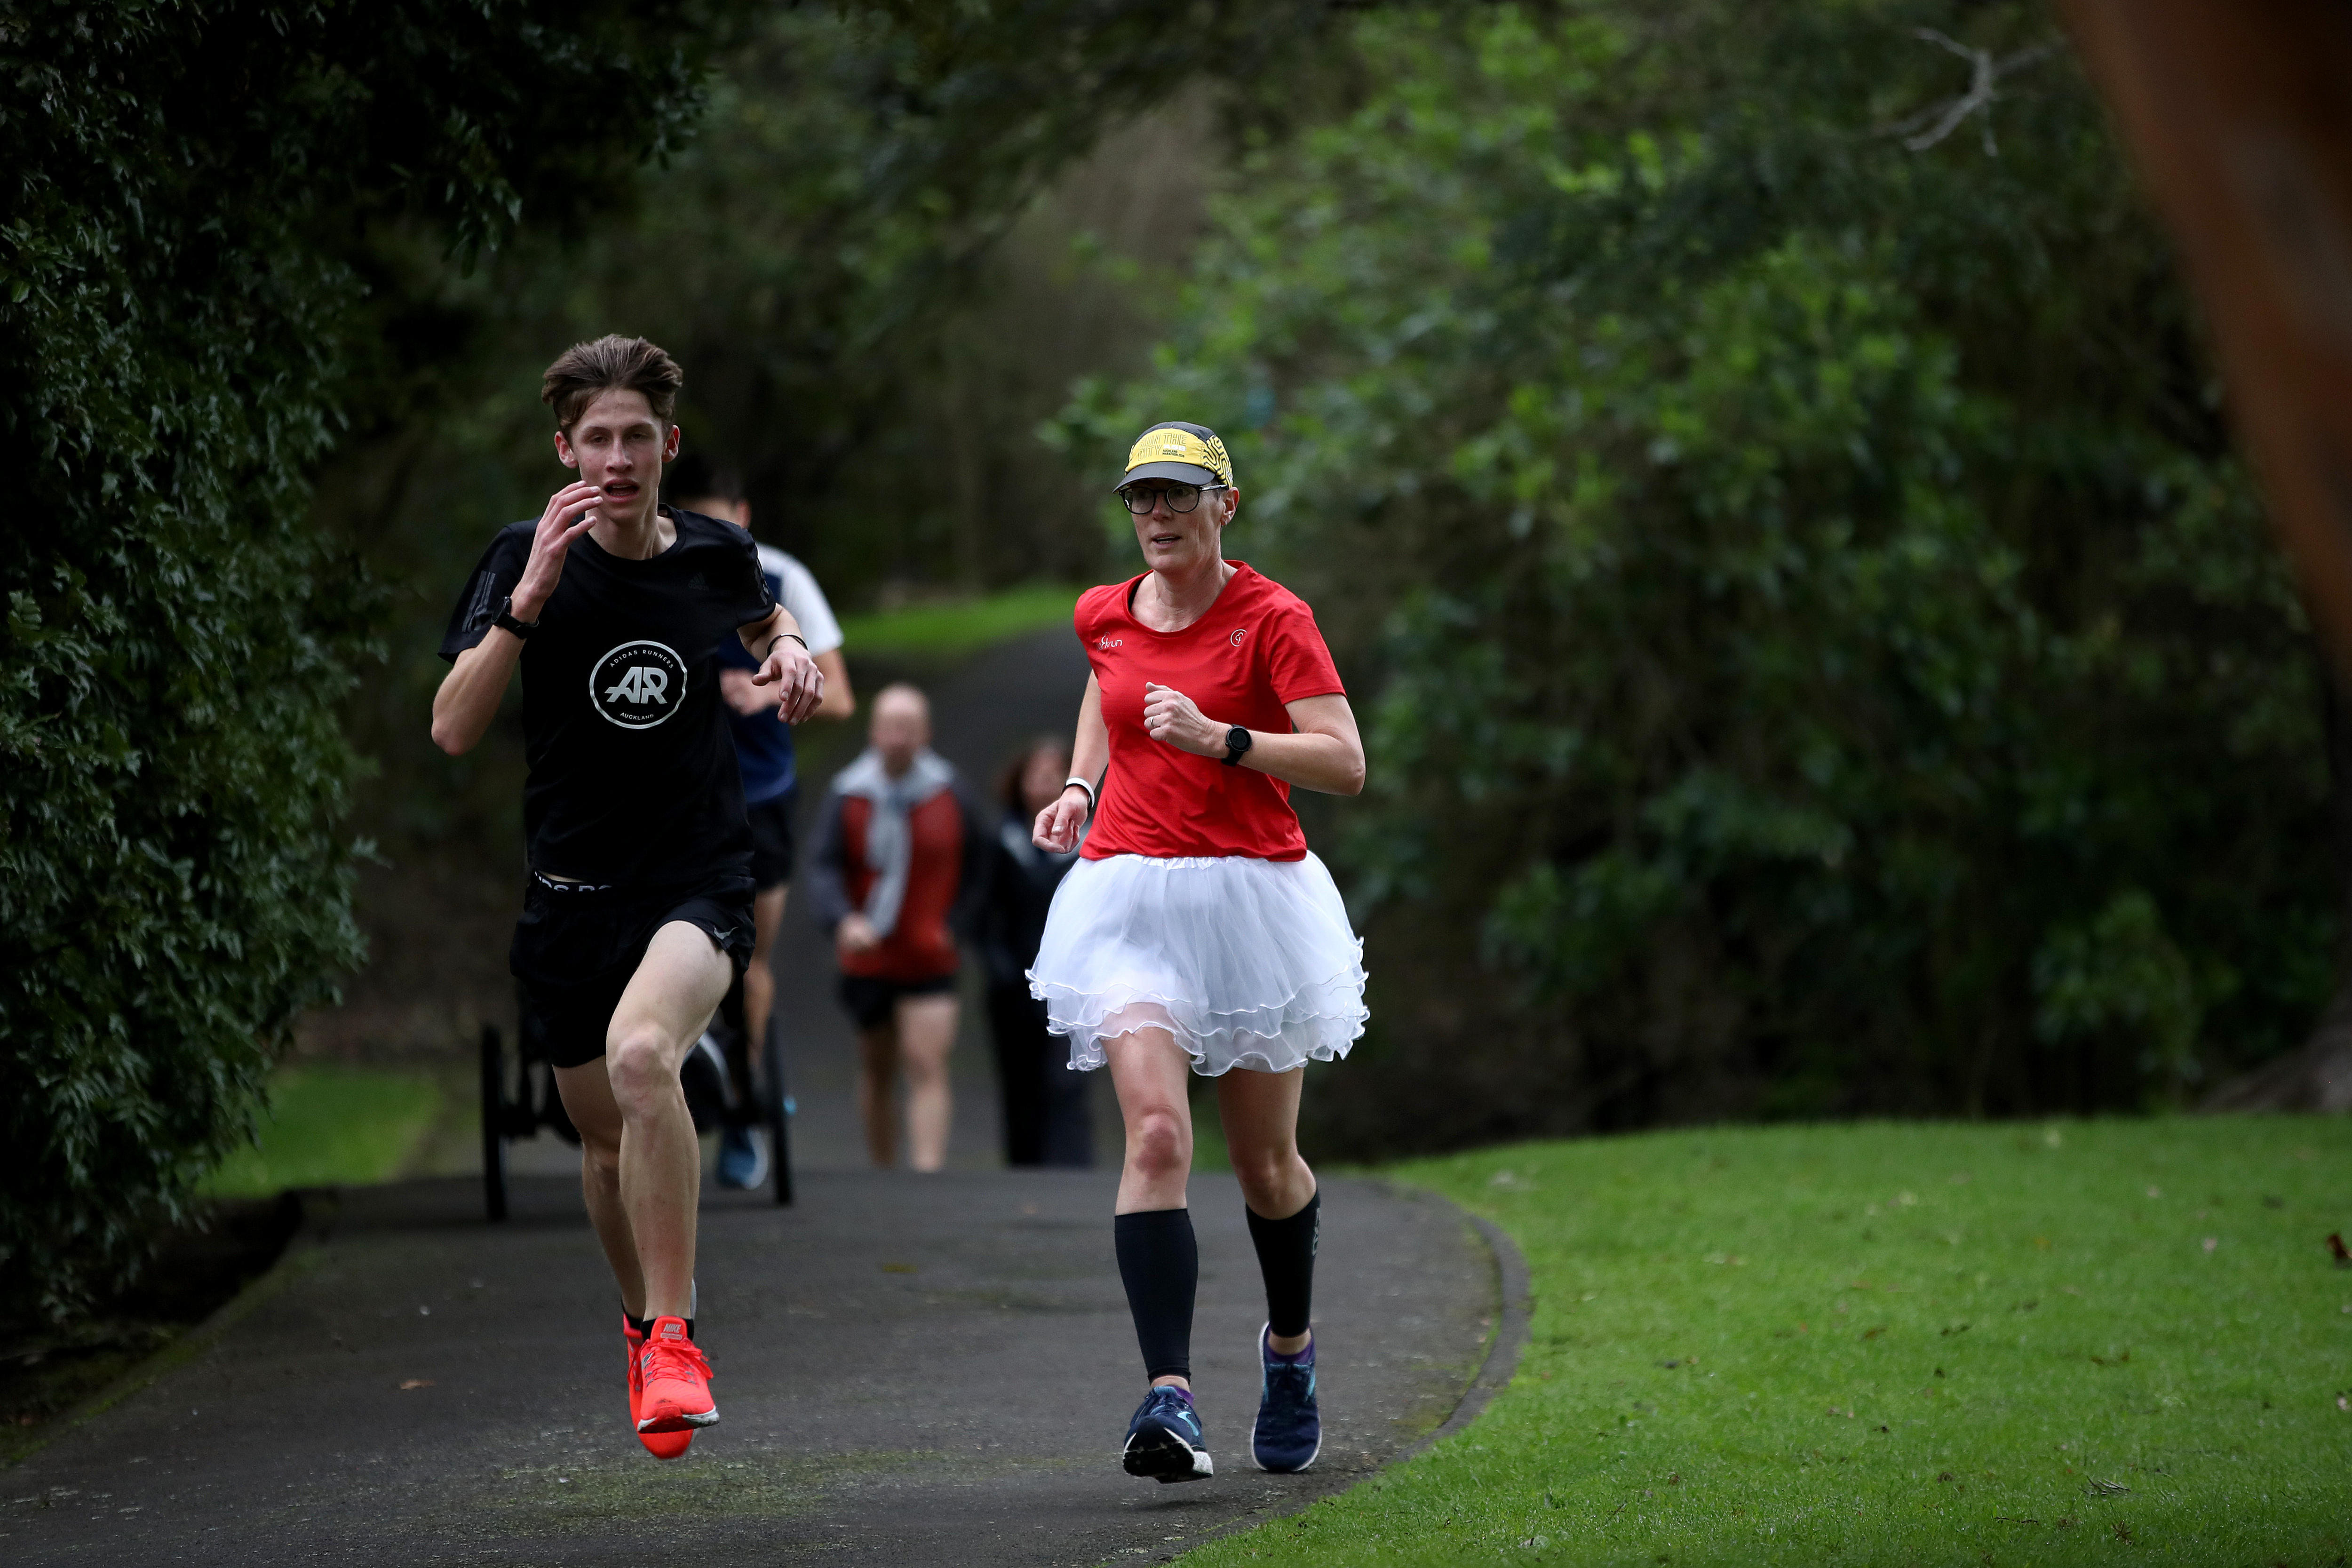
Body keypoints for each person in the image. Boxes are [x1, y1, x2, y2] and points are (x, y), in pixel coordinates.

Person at [431, 335, 825, 1461]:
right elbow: (453, 728)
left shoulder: (716, 553)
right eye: (594, 437)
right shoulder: (520, 556)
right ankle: (643, 1328)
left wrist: (789, 648)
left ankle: (676, 1337)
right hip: (569, 896)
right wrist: (530, 600)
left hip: (696, 877)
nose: (615, 455)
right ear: (564, 449)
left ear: (668, 446)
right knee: (601, 1145)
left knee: (648, 1057)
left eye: (635, 436)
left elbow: (759, 618)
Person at [1028, 420, 1366, 1483]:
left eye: (1179, 495)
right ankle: (1168, 1398)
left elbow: (1344, 762)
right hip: (1128, 896)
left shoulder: (1274, 618)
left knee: (1266, 1166)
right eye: (1141, 497)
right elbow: (1105, 683)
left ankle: (1290, 1351)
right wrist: (1083, 783)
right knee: (1160, 1133)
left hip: (1252, 894)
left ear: (1226, 504)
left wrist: (1223, 737)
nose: (1158, 515)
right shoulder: (1105, 611)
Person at [666, 454, 856, 1190]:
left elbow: (839, 699)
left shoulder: (782, 581)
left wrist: (765, 688)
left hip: (761, 796)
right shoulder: (653, 571)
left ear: (744, 517)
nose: (710, 531)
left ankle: (743, 1108)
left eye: (722, 517)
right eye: (695, 519)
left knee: (748, 965)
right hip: (672, 800)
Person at [807, 683, 988, 1172]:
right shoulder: (848, 793)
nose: (898, 739)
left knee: (926, 1062)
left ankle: (927, 1173)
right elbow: (823, 868)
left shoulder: (950, 793)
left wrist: (958, 926)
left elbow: (981, 865)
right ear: (874, 732)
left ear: (925, 733)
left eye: (908, 729)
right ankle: (883, 1172)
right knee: (878, 1067)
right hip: (869, 956)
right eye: (889, 728)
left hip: (930, 954)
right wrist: (843, 921)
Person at [977, 737, 1092, 1168]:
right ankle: (1023, 1170)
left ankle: (1070, 1169)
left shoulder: (1093, 847)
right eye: (1036, 775)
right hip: (1012, 986)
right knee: (1019, 1081)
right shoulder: (1000, 841)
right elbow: (983, 912)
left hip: (1074, 984)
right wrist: (1001, 968)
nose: (1044, 784)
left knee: (1067, 1079)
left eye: (1054, 775)